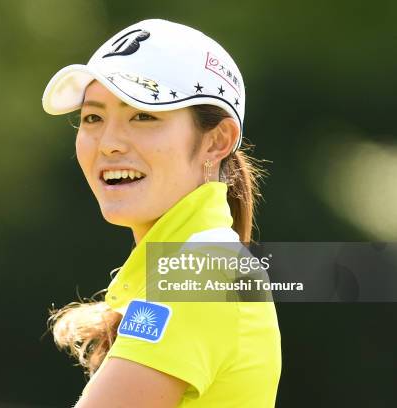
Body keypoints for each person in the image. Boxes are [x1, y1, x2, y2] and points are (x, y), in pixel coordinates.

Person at [42, 19, 281, 407]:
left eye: (143, 115)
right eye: (93, 117)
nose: (109, 144)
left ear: (217, 140)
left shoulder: (201, 271)